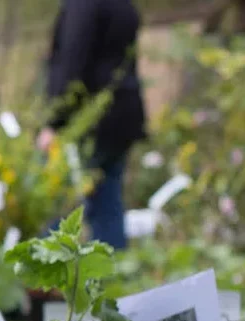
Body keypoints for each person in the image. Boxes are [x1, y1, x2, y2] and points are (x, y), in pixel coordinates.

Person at [38, 0, 146, 249]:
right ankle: (113, 275)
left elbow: (72, 62)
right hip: (121, 115)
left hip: (87, 120)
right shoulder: (124, 5)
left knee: (59, 202)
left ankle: (47, 276)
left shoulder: (83, 5)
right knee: (108, 204)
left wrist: (55, 122)